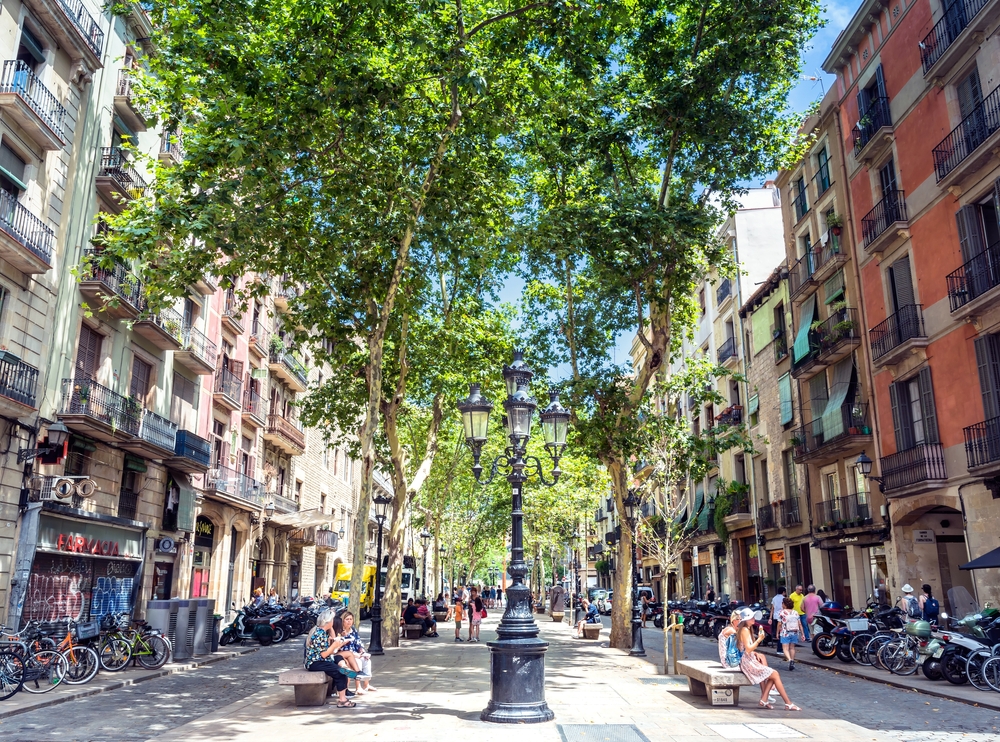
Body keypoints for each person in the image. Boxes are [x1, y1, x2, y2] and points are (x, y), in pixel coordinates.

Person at [735, 607, 800, 711]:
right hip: (748, 662)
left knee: (773, 675)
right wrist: (759, 640)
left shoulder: (746, 629)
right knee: (774, 674)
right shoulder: (744, 630)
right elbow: (748, 649)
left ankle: (766, 699)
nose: (754, 619)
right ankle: (787, 703)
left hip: (749, 659)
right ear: (746, 619)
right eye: (751, 617)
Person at [304, 608, 357, 708]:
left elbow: (330, 651)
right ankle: (342, 700)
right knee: (340, 672)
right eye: (332, 620)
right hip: (315, 663)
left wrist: (331, 631)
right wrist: (335, 644)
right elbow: (323, 655)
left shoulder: (322, 631)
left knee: (338, 658)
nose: (333, 621)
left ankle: (346, 669)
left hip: (321, 660)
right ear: (328, 621)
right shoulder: (320, 634)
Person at [335, 610, 376, 693]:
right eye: (347, 619)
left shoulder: (353, 630)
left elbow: (359, 643)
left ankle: (366, 684)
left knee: (367, 661)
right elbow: (338, 649)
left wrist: (362, 651)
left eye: (351, 619)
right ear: (343, 620)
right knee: (358, 662)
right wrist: (354, 654)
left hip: (356, 653)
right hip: (347, 655)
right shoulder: (339, 631)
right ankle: (358, 687)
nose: (349, 621)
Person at [778, 596, 805, 670]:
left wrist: (777, 632)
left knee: (785, 649)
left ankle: (789, 660)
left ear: (784, 604)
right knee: (792, 648)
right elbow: (799, 624)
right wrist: (802, 633)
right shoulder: (795, 612)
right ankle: (792, 660)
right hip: (795, 632)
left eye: (782, 603)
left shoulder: (782, 612)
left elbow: (779, 624)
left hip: (785, 632)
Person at [770, 586, 786, 653]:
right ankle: (780, 648)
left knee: (778, 632)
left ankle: (780, 648)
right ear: (783, 592)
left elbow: (772, 609)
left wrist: (770, 618)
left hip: (775, 616)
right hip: (782, 616)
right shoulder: (784, 599)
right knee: (782, 632)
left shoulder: (774, 598)